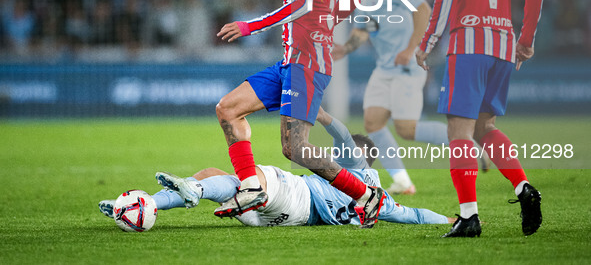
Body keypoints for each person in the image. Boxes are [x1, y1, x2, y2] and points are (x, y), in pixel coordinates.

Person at [215, 0, 385, 228]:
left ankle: (366, 194)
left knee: (296, 149)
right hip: (292, 62)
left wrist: (250, 26)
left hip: (305, 66)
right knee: (228, 109)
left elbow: (302, 4)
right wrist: (323, 27)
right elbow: (350, 0)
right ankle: (251, 187)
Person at [415, 0, 544, 237]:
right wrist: (525, 40)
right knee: (486, 127)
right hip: (503, 42)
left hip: (468, 40)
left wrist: (427, 41)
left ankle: (469, 216)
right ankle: (523, 188)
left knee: (459, 132)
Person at [99, 108, 453, 227]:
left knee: (254, 178)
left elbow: (343, 135)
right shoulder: (380, 199)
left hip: (299, 198)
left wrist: (322, 114)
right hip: (283, 218)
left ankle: (193, 193)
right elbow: (414, 215)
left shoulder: (355, 165)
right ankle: (141, 205)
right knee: (213, 174)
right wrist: (449, 219)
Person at [333, 0, 486, 196]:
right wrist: (345, 48)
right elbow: (363, 30)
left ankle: (466, 142)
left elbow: (423, 12)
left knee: (407, 129)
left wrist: (410, 48)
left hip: (406, 65)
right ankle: (403, 181)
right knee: (373, 122)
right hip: (384, 67)